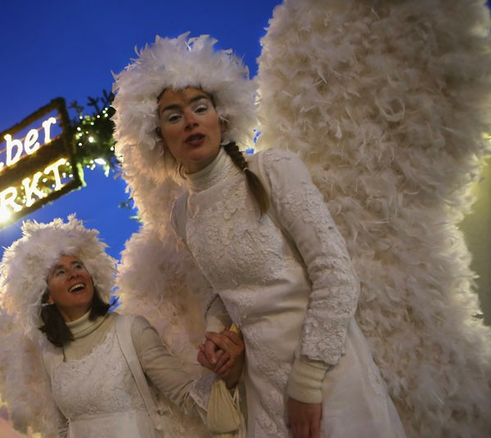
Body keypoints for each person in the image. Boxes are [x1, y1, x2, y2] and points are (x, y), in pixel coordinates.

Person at [111, 34, 406, 438]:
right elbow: (227, 294)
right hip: (263, 391)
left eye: (200, 107)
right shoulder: (183, 213)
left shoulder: (275, 169)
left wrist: (308, 380)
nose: (191, 120)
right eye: (174, 115)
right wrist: (219, 337)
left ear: (223, 116)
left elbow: (336, 274)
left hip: (328, 375)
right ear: (158, 136)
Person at [0, 216, 245, 438]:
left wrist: (228, 378)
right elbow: (63, 428)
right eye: (60, 271)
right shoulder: (50, 355)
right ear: (46, 295)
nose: (74, 274)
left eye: (78, 266)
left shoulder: (131, 330)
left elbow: (187, 397)